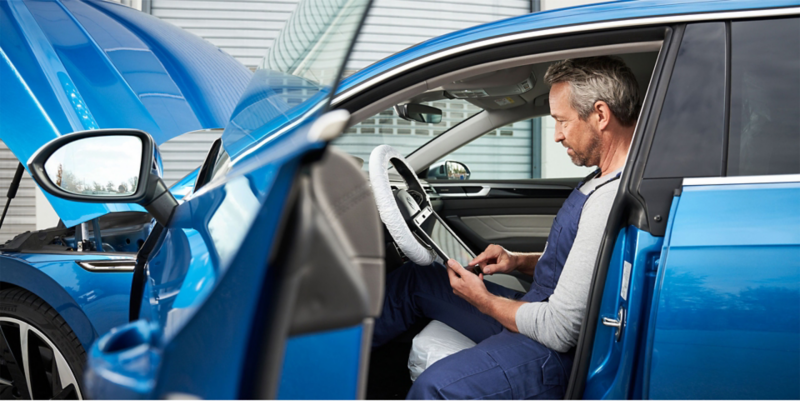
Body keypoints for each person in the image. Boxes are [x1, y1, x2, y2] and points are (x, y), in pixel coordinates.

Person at [372, 56, 642, 399]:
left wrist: (482, 299)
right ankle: (327, 360)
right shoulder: (599, 177)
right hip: (538, 308)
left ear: (601, 115)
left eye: (562, 121)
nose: (557, 135)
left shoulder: (609, 197)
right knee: (417, 280)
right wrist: (517, 260)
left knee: (435, 389)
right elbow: (584, 267)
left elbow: (559, 331)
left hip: (552, 350)